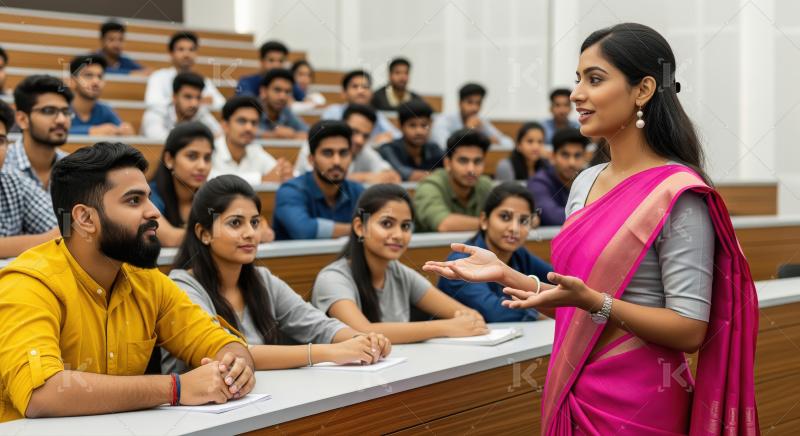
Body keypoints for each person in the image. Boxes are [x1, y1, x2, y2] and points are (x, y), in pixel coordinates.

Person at [424, 23, 758, 435]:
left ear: (643, 89)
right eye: (577, 79)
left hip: (641, 402)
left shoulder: (678, 193)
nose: (577, 94)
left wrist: (597, 302)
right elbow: (575, 303)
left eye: (595, 79)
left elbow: (689, 329)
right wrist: (506, 274)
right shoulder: (585, 182)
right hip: (572, 386)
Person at [0, 142, 255, 423]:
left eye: (148, 197)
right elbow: (43, 394)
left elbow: (221, 343)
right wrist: (176, 388)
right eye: (134, 201)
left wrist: (235, 367)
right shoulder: (29, 283)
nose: (154, 212)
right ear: (85, 218)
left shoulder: (146, 280)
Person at [162, 175, 392, 373]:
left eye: (254, 222)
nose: (250, 233)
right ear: (204, 233)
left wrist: (360, 339)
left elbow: (320, 326)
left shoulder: (262, 279)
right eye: (235, 223)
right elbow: (231, 354)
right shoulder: (182, 286)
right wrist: (329, 352)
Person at [312, 184, 489, 344]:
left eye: (405, 226)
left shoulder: (400, 273)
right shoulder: (332, 278)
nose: (398, 234)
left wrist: (466, 321)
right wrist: (447, 327)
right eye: (387, 223)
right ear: (360, 227)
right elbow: (362, 331)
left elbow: (469, 316)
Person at [437, 183, 552, 322]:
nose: (514, 228)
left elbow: (557, 277)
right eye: (505, 217)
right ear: (484, 220)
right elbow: (495, 313)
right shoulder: (461, 262)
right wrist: (548, 312)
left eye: (523, 221)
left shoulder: (519, 254)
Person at [273, 120, 365, 240]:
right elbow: (303, 230)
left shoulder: (358, 191)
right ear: (311, 160)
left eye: (343, 153)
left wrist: (368, 227)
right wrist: (359, 228)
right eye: (328, 153)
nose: (337, 161)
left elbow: (373, 224)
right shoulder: (290, 191)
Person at [0, 100, 59, 258]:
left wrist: (66, 226)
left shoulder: (13, 180)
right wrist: (46, 239)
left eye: (1, 141)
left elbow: (64, 230)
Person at [293, 104, 401, 184]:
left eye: (365, 136)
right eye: (355, 132)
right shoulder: (314, 143)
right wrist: (366, 177)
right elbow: (318, 177)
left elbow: (389, 174)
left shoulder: (363, 150)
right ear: (342, 125)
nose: (360, 140)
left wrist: (386, 175)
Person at [413, 129, 493, 232]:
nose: (471, 169)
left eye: (477, 161)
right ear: (447, 163)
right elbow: (444, 224)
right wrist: (492, 224)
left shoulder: (485, 184)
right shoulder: (429, 186)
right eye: (463, 161)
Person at [2, 75, 72, 191]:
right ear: (22, 119)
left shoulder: (73, 167)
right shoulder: (3, 164)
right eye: (49, 111)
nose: (62, 120)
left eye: (65, 112)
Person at [211, 95, 293, 184]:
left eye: (254, 123)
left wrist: (283, 171)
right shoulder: (211, 149)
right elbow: (211, 179)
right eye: (242, 121)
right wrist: (261, 180)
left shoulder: (255, 150)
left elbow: (276, 172)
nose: (249, 128)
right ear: (225, 125)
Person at [145, 31, 225, 111]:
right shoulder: (159, 76)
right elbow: (152, 103)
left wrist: (209, 102)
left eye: (191, 50)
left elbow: (221, 103)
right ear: (171, 54)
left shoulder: (203, 80)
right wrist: (181, 102)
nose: (186, 54)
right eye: (181, 49)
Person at [527, 128, 588, 226]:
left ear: (585, 158)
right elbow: (552, 217)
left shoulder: (590, 180)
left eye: (577, 155)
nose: (571, 163)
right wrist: (592, 216)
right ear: (553, 156)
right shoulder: (538, 183)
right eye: (565, 155)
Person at [321, 70, 401, 144]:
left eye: (365, 87)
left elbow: (397, 136)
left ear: (371, 94)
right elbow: (326, 137)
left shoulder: (376, 115)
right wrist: (372, 142)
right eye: (355, 86)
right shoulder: (333, 112)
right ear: (343, 93)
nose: (361, 91)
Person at [141, 72, 222, 140]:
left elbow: (220, 135)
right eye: (188, 97)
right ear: (174, 97)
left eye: (198, 98)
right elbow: (157, 141)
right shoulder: (156, 112)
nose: (194, 104)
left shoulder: (200, 113)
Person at [68, 55, 134, 136]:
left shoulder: (105, 110)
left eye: (100, 76)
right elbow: (50, 132)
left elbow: (122, 128)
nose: (96, 81)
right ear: (72, 81)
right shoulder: (61, 108)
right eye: (88, 75)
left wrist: (125, 129)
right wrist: (90, 131)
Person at [378, 99, 444, 181]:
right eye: (412, 125)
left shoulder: (434, 148)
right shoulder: (388, 149)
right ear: (400, 126)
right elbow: (406, 174)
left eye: (424, 125)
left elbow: (451, 169)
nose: (419, 131)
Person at [431, 83, 512, 149]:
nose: (475, 108)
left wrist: (495, 141)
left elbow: (509, 143)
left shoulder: (479, 121)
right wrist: (467, 130)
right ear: (459, 103)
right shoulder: (443, 121)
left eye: (478, 103)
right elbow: (444, 146)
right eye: (470, 102)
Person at [258, 68, 308, 139]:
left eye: (287, 92)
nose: (282, 97)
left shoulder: (286, 111)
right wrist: (272, 135)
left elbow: (309, 132)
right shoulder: (251, 109)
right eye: (277, 90)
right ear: (263, 91)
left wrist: (293, 134)